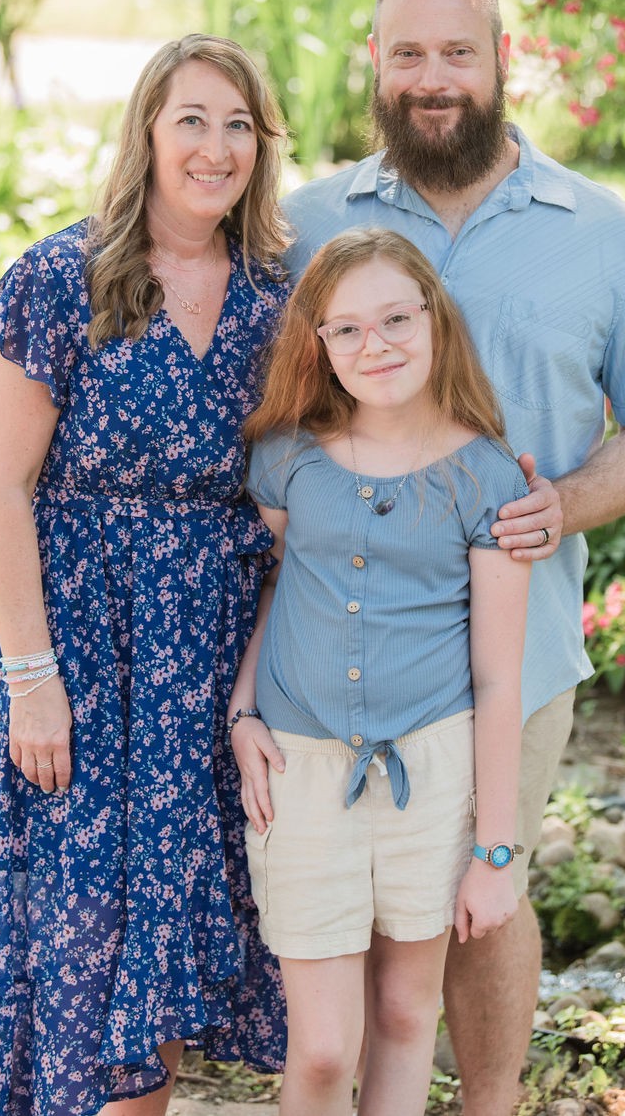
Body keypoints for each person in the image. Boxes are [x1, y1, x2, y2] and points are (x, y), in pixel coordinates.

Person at [281, 0, 625, 1113]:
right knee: (352, 916)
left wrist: (560, 502)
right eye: (406, 52)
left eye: (456, 50)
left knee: (484, 892)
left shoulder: (600, 232)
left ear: (501, 59)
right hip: (335, 646)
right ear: (374, 63)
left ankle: (492, 1105)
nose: (432, 76)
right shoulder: (308, 225)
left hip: (517, 646)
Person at [0, 35, 289, 1116]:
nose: (215, 146)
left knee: (165, 955)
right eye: (191, 119)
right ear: (147, 131)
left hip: (203, 659)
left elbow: (286, 493)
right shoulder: (62, 278)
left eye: (238, 123)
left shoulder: (272, 299)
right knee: (81, 943)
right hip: (81, 654)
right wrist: (30, 675)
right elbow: (0, 486)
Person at [227, 227, 532, 1116]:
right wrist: (243, 712)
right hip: (301, 772)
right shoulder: (288, 458)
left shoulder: (485, 480)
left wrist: (494, 853)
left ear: (436, 320)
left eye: (398, 318)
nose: (378, 345)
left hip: (430, 778)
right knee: (322, 1049)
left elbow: (499, 682)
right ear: (317, 343)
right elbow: (276, 593)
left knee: (405, 1013)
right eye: (348, 329)